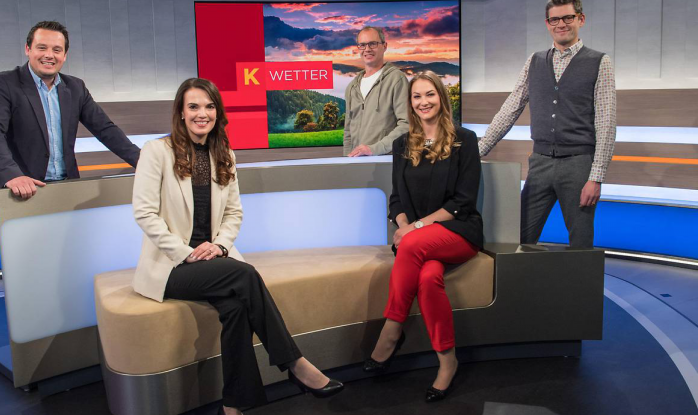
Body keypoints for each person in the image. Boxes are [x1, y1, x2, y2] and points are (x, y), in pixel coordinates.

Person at [132, 78, 344, 415]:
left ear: (217, 111)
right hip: (171, 267)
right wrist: (186, 252)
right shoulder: (156, 151)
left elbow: (233, 213)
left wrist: (219, 246)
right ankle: (296, 364)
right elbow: (144, 213)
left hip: (214, 261)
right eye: (194, 106)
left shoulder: (223, 153)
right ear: (181, 113)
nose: (202, 113)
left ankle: (233, 405)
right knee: (245, 276)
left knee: (235, 310)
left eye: (209, 106)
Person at [364, 71, 483, 403]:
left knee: (413, 245)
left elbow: (463, 202)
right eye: (417, 97)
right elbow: (396, 199)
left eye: (429, 94)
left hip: (459, 232)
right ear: (410, 103)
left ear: (441, 98)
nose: (423, 102)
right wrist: (404, 224)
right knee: (429, 278)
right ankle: (447, 361)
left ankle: (391, 331)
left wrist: (413, 230)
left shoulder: (465, 139)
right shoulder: (403, 144)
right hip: (419, 242)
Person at [478, 0, 616, 248]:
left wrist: (596, 178)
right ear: (547, 23)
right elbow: (511, 107)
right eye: (555, 19)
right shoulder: (534, 61)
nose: (561, 24)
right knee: (518, 236)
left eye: (567, 17)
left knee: (581, 243)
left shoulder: (600, 62)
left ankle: (580, 288)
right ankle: (520, 288)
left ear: (580, 20)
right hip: (540, 163)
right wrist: (478, 150)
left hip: (579, 165)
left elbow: (606, 123)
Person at [0, 20, 140, 210]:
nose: (49, 55)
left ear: (65, 55)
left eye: (56, 49)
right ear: (28, 49)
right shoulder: (3, 83)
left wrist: (143, 161)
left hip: (66, 190)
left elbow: (105, 129)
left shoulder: (75, 87)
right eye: (42, 48)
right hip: (22, 191)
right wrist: (11, 175)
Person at [343, 26, 409, 157]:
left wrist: (375, 149)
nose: (367, 49)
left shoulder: (396, 79)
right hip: (357, 163)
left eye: (372, 44)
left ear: (384, 46)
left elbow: (407, 125)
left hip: (385, 161)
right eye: (362, 45)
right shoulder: (352, 87)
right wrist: (347, 161)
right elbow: (348, 132)